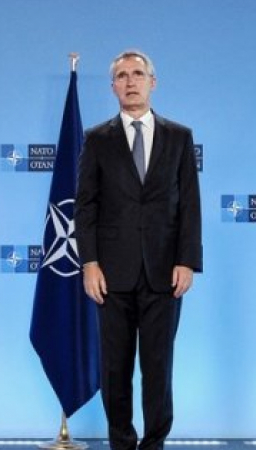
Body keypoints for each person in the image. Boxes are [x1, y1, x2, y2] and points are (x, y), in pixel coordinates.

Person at [75, 49, 202, 450]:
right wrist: (89, 263)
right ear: (113, 86)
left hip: (165, 273)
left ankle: (155, 444)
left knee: (158, 367)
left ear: (152, 82)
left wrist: (187, 260)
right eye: (122, 76)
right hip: (112, 275)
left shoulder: (179, 136)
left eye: (138, 73)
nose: (131, 81)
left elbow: (190, 204)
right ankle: (122, 443)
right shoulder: (97, 139)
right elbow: (86, 205)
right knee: (115, 368)